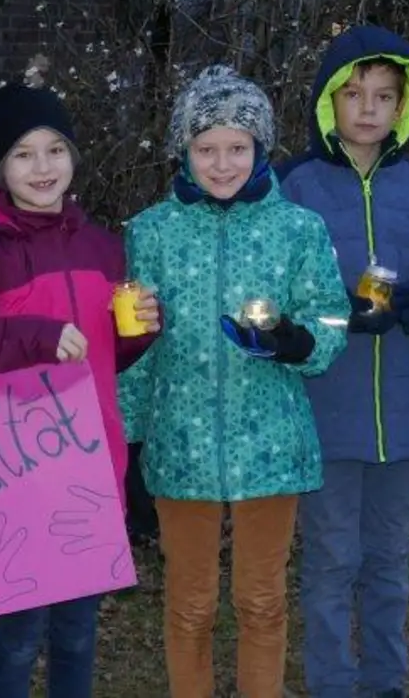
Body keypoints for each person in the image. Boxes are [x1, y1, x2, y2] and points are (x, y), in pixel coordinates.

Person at [118, 65, 349, 698]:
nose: (223, 163)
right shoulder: (150, 231)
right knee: (190, 607)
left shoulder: (297, 229)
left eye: (237, 148)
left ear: (260, 149)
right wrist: (128, 444)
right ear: (183, 152)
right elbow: (132, 345)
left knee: (262, 602)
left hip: (271, 446)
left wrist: (293, 340)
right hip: (180, 444)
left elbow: (331, 316)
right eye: (206, 148)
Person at [0, 82, 158, 698]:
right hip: (13, 467)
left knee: (79, 630)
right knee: (19, 632)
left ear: (73, 160)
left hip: (91, 459)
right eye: (24, 154)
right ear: (0, 166)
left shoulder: (101, 245)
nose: (42, 167)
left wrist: (137, 333)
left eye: (55, 150)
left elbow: (109, 356)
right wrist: (35, 335)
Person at [277, 25, 409, 698]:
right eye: (354, 94)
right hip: (326, 403)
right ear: (330, 101)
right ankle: (331, 684)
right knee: (330, 561)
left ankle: (385, 682)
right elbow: (275, 288)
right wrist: (329, 314)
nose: (369, 108)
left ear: (404, 105)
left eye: (384, 95)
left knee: (389, 559)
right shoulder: (294, 184)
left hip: (403, 403)